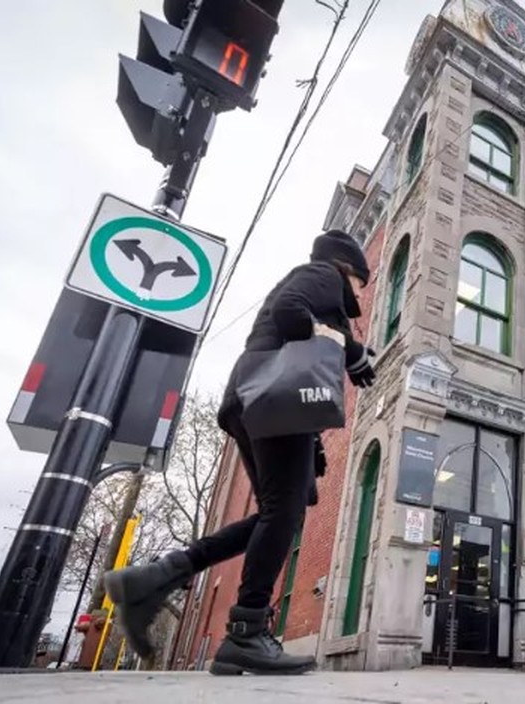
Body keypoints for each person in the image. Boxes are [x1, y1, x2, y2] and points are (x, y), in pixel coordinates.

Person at [104, 230, 376, 675]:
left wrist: (312, 438)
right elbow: (291, 314)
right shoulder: (324, 275)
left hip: (257, 399)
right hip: (268, 396)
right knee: (284, 510)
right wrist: (351, 349)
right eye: (363, 279)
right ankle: (247, 631)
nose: (362, 290)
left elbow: (301, 343)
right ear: (350, 269)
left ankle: (153, 579)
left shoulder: (322, 289)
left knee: (279, 510)